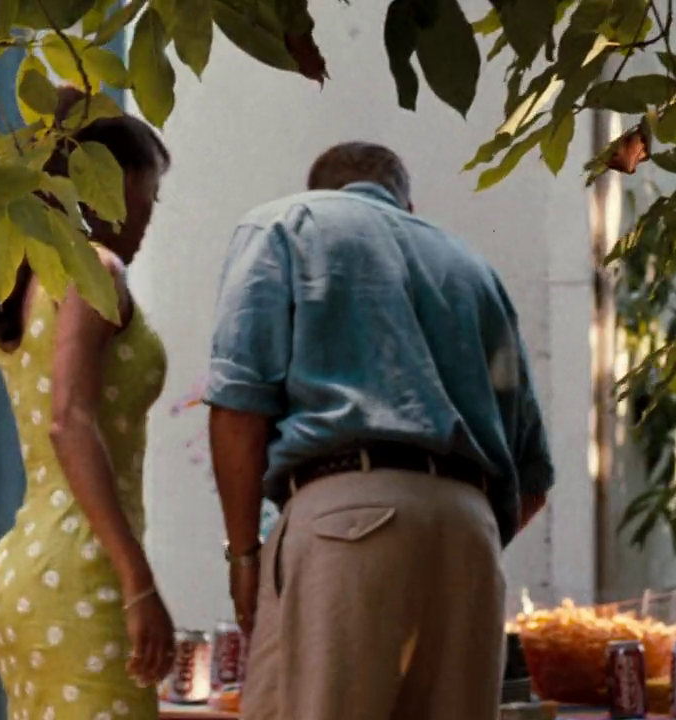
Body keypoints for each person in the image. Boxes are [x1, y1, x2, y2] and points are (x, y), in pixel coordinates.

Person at [204, 141, 555, 720]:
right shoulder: (473, 269)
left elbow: (239, 408)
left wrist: (244, 558)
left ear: (320, 188)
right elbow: (533, 478)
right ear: (407, 205)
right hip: (470, 531)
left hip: (346, 518)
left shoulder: (286, 225)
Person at [0, 87, 176, 720]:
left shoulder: (21, 276)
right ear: (108, 183)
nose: (149, 216)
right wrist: (137, 581)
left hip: (26, 576)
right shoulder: (95, 270)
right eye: (148, 195)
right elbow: (69, 421)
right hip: (85, 571)